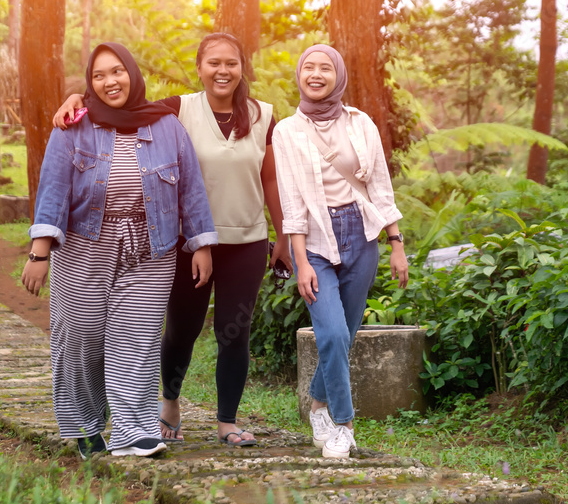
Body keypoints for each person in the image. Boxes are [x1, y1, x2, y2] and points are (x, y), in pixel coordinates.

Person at [53, 33, 293, 447]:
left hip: (247, 240)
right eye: (213, 63)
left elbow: (270, 179)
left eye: (231, 63)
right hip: (189, 243)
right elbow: (123, 105)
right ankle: (170, 403)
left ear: (242, 68)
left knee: (234, 332)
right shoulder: (177, 110)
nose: (222, 71)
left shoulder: (263, 115)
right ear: (199, 68)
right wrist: (78, 98)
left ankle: (227, 421)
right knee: (182, 329)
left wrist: (283, 235)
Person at [23, 42, 217, 459]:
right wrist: (40, 254)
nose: (110, 82)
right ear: (89, 83)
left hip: (151, 248)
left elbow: (191, 187)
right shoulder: (74, 125)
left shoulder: (167, 126)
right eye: (98, 75)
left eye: (117, 71)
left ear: (132, 73)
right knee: (81, 336)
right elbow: (53, 188)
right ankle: (86, 426)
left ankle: (135, 430)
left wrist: (201, 244)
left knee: (137, 339)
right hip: (84, 246)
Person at [271, 44, 409, 459]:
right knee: (330, 333)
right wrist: (301, 262)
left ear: (338, 76)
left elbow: (380, 186)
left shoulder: (361, 123)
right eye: (308, 67)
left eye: (325, 68)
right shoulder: (286, 132)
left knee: (342, 337)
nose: (316, 74)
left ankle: (317, 407)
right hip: (314, 242)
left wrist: (396, 243)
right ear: (299, 75)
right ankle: (344, 426)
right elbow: (292, 203)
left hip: (361, 235)